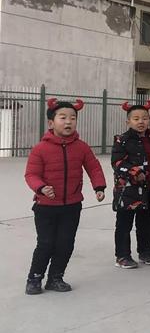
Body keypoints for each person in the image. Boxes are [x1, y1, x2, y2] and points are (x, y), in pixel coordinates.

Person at [24, 98, 107, 295]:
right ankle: (34, 278)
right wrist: (41, 188)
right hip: (46, 207)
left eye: (73, 118)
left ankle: (55, 278)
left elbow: (94, 167)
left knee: (65, 243)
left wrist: (99, 187)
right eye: (63, 117)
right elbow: (31, 174)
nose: (68, 121)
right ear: (51, 123)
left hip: (72, 205)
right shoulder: (40, 149)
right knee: (46, 243)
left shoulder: (82, 147)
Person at [112, 101, 150, 268]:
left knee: (145, 223)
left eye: (144, 118)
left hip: (149, 190)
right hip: (127, 191)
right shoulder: (122, 140)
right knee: (124, 224)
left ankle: (145, 251)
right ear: (128, 122)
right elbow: (117, 162)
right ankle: (122, 255)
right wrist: (134, 172)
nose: (141, 122)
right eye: (136, 119)